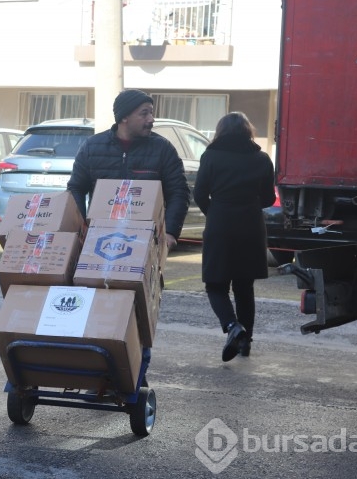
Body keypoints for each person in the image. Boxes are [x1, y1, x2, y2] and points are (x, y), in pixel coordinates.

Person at [192, 112, 276, 362]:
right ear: (247, 131)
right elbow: (269, 198)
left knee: (215, 284)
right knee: (244, 286)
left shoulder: (211, 156)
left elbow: (199, 194)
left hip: (220, 224)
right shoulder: (261, 158)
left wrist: (215, 212)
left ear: (220, 132)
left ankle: (232, 326)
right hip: (251, 226)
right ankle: (245, 342)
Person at [67, 89, 190, 250]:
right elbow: (75, 188)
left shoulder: (163, 149)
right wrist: (80, 228)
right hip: (98, 239)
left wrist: (171, 232)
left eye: (151, 113)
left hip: (146, 242)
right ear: (124, 117)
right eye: (144, 114)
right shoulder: (92, 147)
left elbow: (178, 192)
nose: (151, 119)